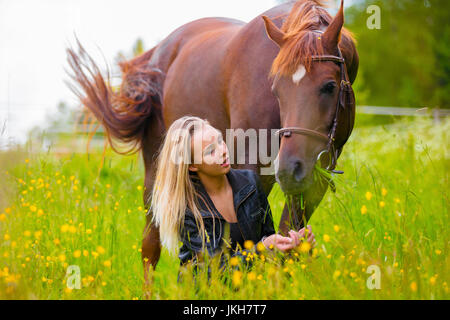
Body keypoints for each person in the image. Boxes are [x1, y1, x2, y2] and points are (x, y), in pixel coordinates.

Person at [149, 116, 315, 274]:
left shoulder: (250, 184)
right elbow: (212, 272)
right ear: (192, 165)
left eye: (220, 141)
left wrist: (294, 248)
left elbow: (269, 245)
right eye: (210, 151)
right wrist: (262, 248)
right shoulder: (187, 209)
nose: (222, 151)